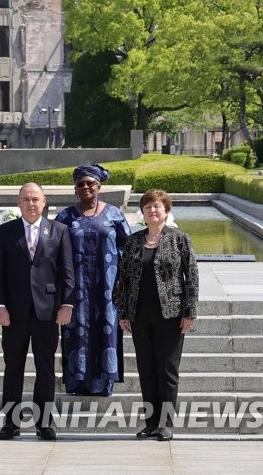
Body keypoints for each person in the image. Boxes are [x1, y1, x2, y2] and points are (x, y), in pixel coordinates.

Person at [0, 183, 74, 440]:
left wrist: (67, 304)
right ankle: (10, 423)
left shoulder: (59, 231)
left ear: (44, 201)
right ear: (18, 203)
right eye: (26, 199)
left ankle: (44, 423)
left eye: (35, 199)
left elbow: (67, 271)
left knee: (45, 369)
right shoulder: (5, 232)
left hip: (47, 312)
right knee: (13, 367)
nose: (31, 203)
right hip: (14, 313)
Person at [116, 189, 198, 441]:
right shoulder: (133, 241)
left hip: (171, 314)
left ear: (166, 211)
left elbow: (191, 277)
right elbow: (124, 280)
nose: (153, 210)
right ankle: (151, 422)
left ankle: (166, 423)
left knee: (167, 370)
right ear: (142, 212)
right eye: (148, 207)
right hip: (140, 315)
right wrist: (123, 311)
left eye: (157, 207)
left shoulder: (179, 239)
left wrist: (189, 312)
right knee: (147, 370)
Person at [55, 164, 131, 396]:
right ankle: (77, 383)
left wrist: (123, 283)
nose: (86, 187)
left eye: (91, 183)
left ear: (99, 187)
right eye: (81, 184)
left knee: (104, 333)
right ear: (75, 189)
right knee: (75, 334)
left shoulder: (114, 214)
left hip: (107, 289)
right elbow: (54, 252)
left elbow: (128, 250)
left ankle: (102, 384)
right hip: (75, 290)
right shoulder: (65, 216)